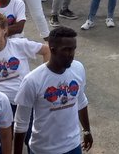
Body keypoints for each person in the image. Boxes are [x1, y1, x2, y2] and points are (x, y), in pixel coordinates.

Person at [11, 26, 95, 154]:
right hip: (43, 150)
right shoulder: (32, 80)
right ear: (52, 50)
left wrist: (87, 130)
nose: (71, 54)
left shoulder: (78, 68)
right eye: (66, 50)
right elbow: (21, 123)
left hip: (73, 146)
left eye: (73, 49)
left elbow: (81, 100)